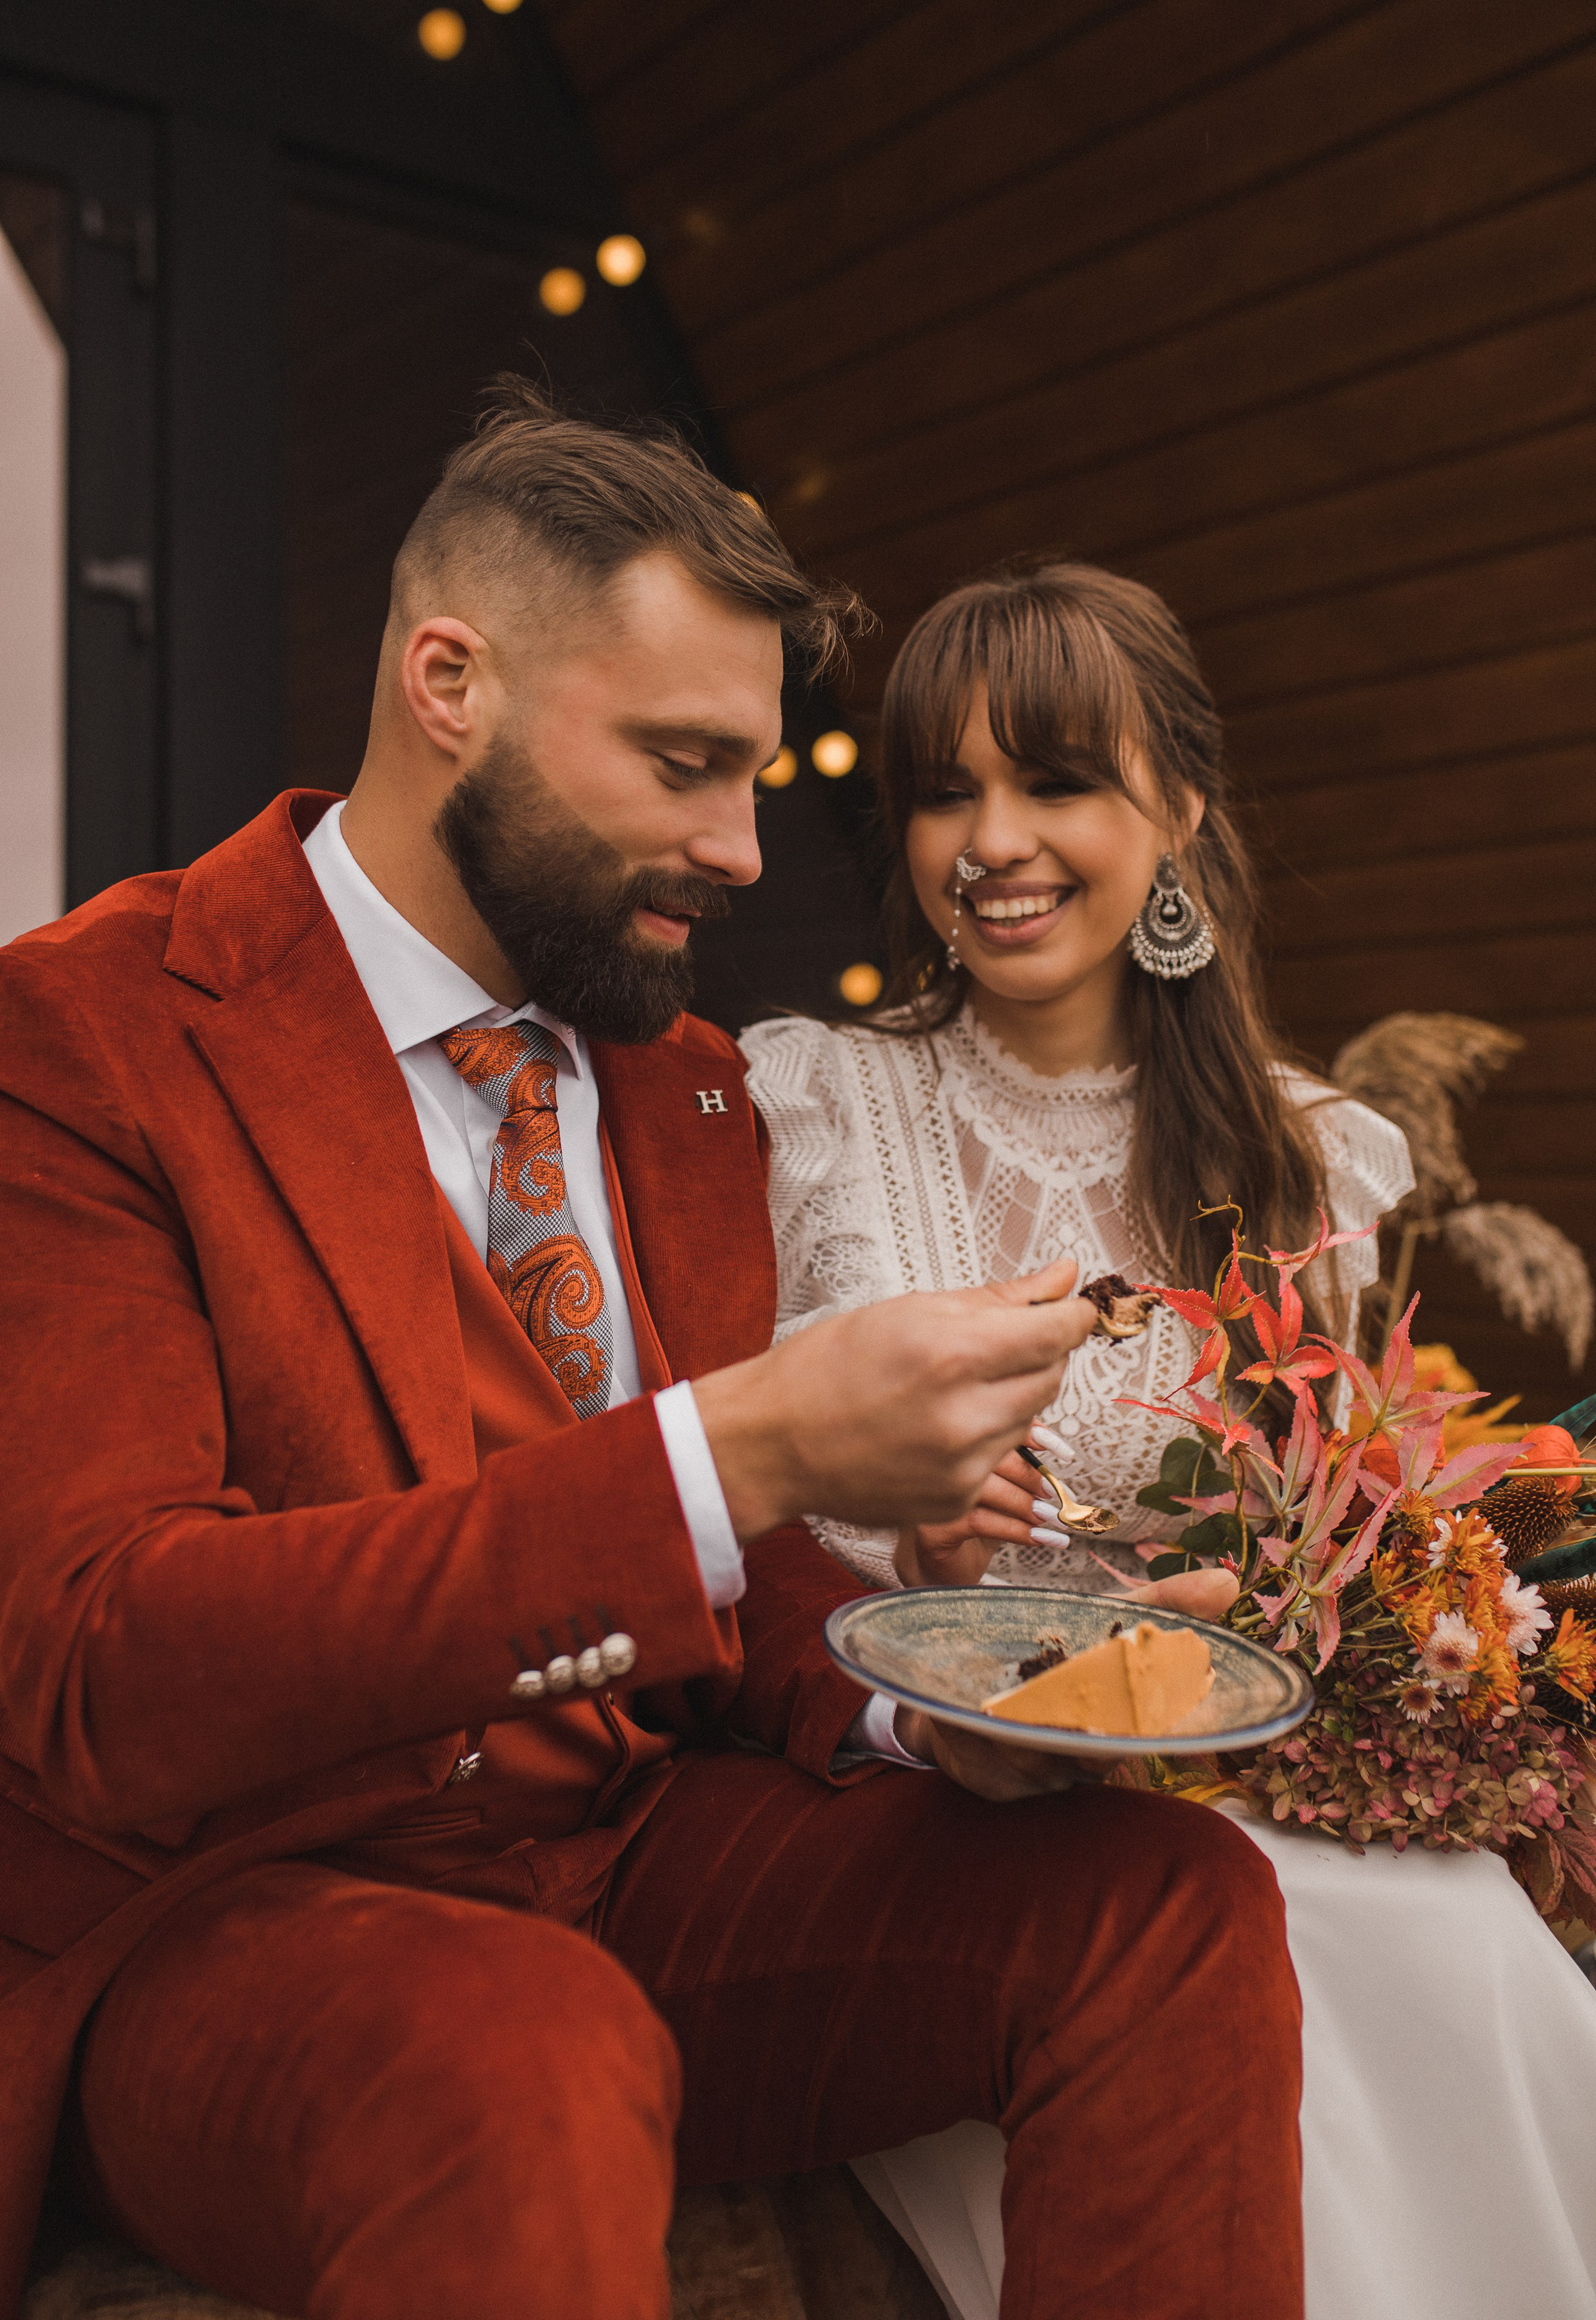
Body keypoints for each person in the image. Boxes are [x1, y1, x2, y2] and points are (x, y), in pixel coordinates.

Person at [0, 393, 1306, 2320]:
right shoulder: (86, 1034)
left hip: (637, 1857)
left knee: (1166, 1906)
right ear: (451, 681)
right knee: (515, 2049)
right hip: (226, 1910)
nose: (744, 849)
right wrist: (741, 1444)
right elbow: (98, 1667)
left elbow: (754, 1584)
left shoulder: (686, 1090)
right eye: (687, 765)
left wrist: (919, 1707)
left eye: (763, 777)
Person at [742, 558, 1596, 2320]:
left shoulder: (1311, 1159)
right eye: (943, 791)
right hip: (904, 1801)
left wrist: (1280, 1612)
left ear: (1179, 810)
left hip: (1197, 1782)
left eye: (1054, 781)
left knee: (1460, 1954)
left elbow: (1308, 1543)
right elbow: (731, 1500)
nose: (991, 840)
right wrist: (913, 1562)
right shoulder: (806, 1097)